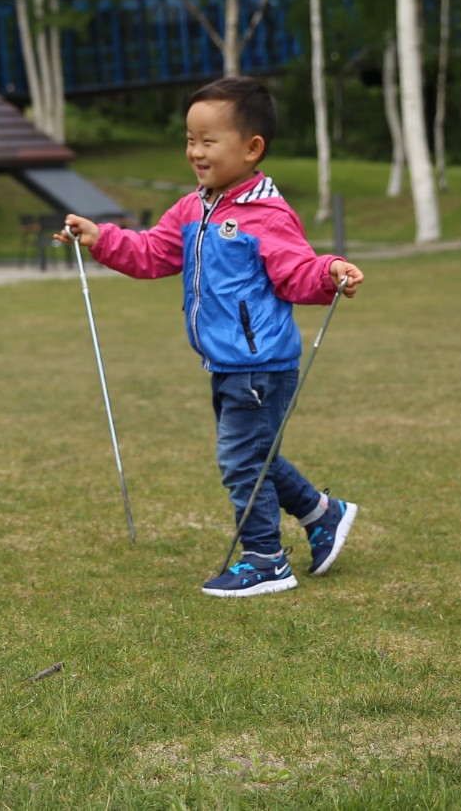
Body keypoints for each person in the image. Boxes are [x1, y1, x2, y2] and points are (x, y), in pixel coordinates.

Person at [60, 76, 366, 598]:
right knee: (256, 452)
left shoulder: (266, 213)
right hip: (224, 361)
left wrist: (330, 269)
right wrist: (100, 237)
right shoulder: (193, 208)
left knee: (242, 459)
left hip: (260, 361)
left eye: (208, 141)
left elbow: (296, 269)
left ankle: (266, 559)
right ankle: (322, 513)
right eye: (189, 139)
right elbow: (152, 252)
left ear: (251, 149)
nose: (195, 152)